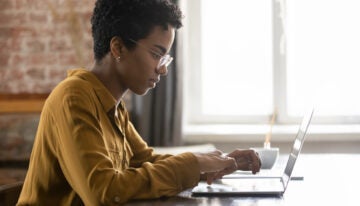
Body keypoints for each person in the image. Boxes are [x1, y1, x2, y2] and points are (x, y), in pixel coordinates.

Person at [17, 0, 261, 205]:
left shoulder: (114, 105)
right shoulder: (74, 98)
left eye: (165, 57)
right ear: (118, 47)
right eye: (156, 54)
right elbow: (103, 191)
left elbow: (147, 161)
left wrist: (217, 161)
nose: (162, 70)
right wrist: (194, 164)